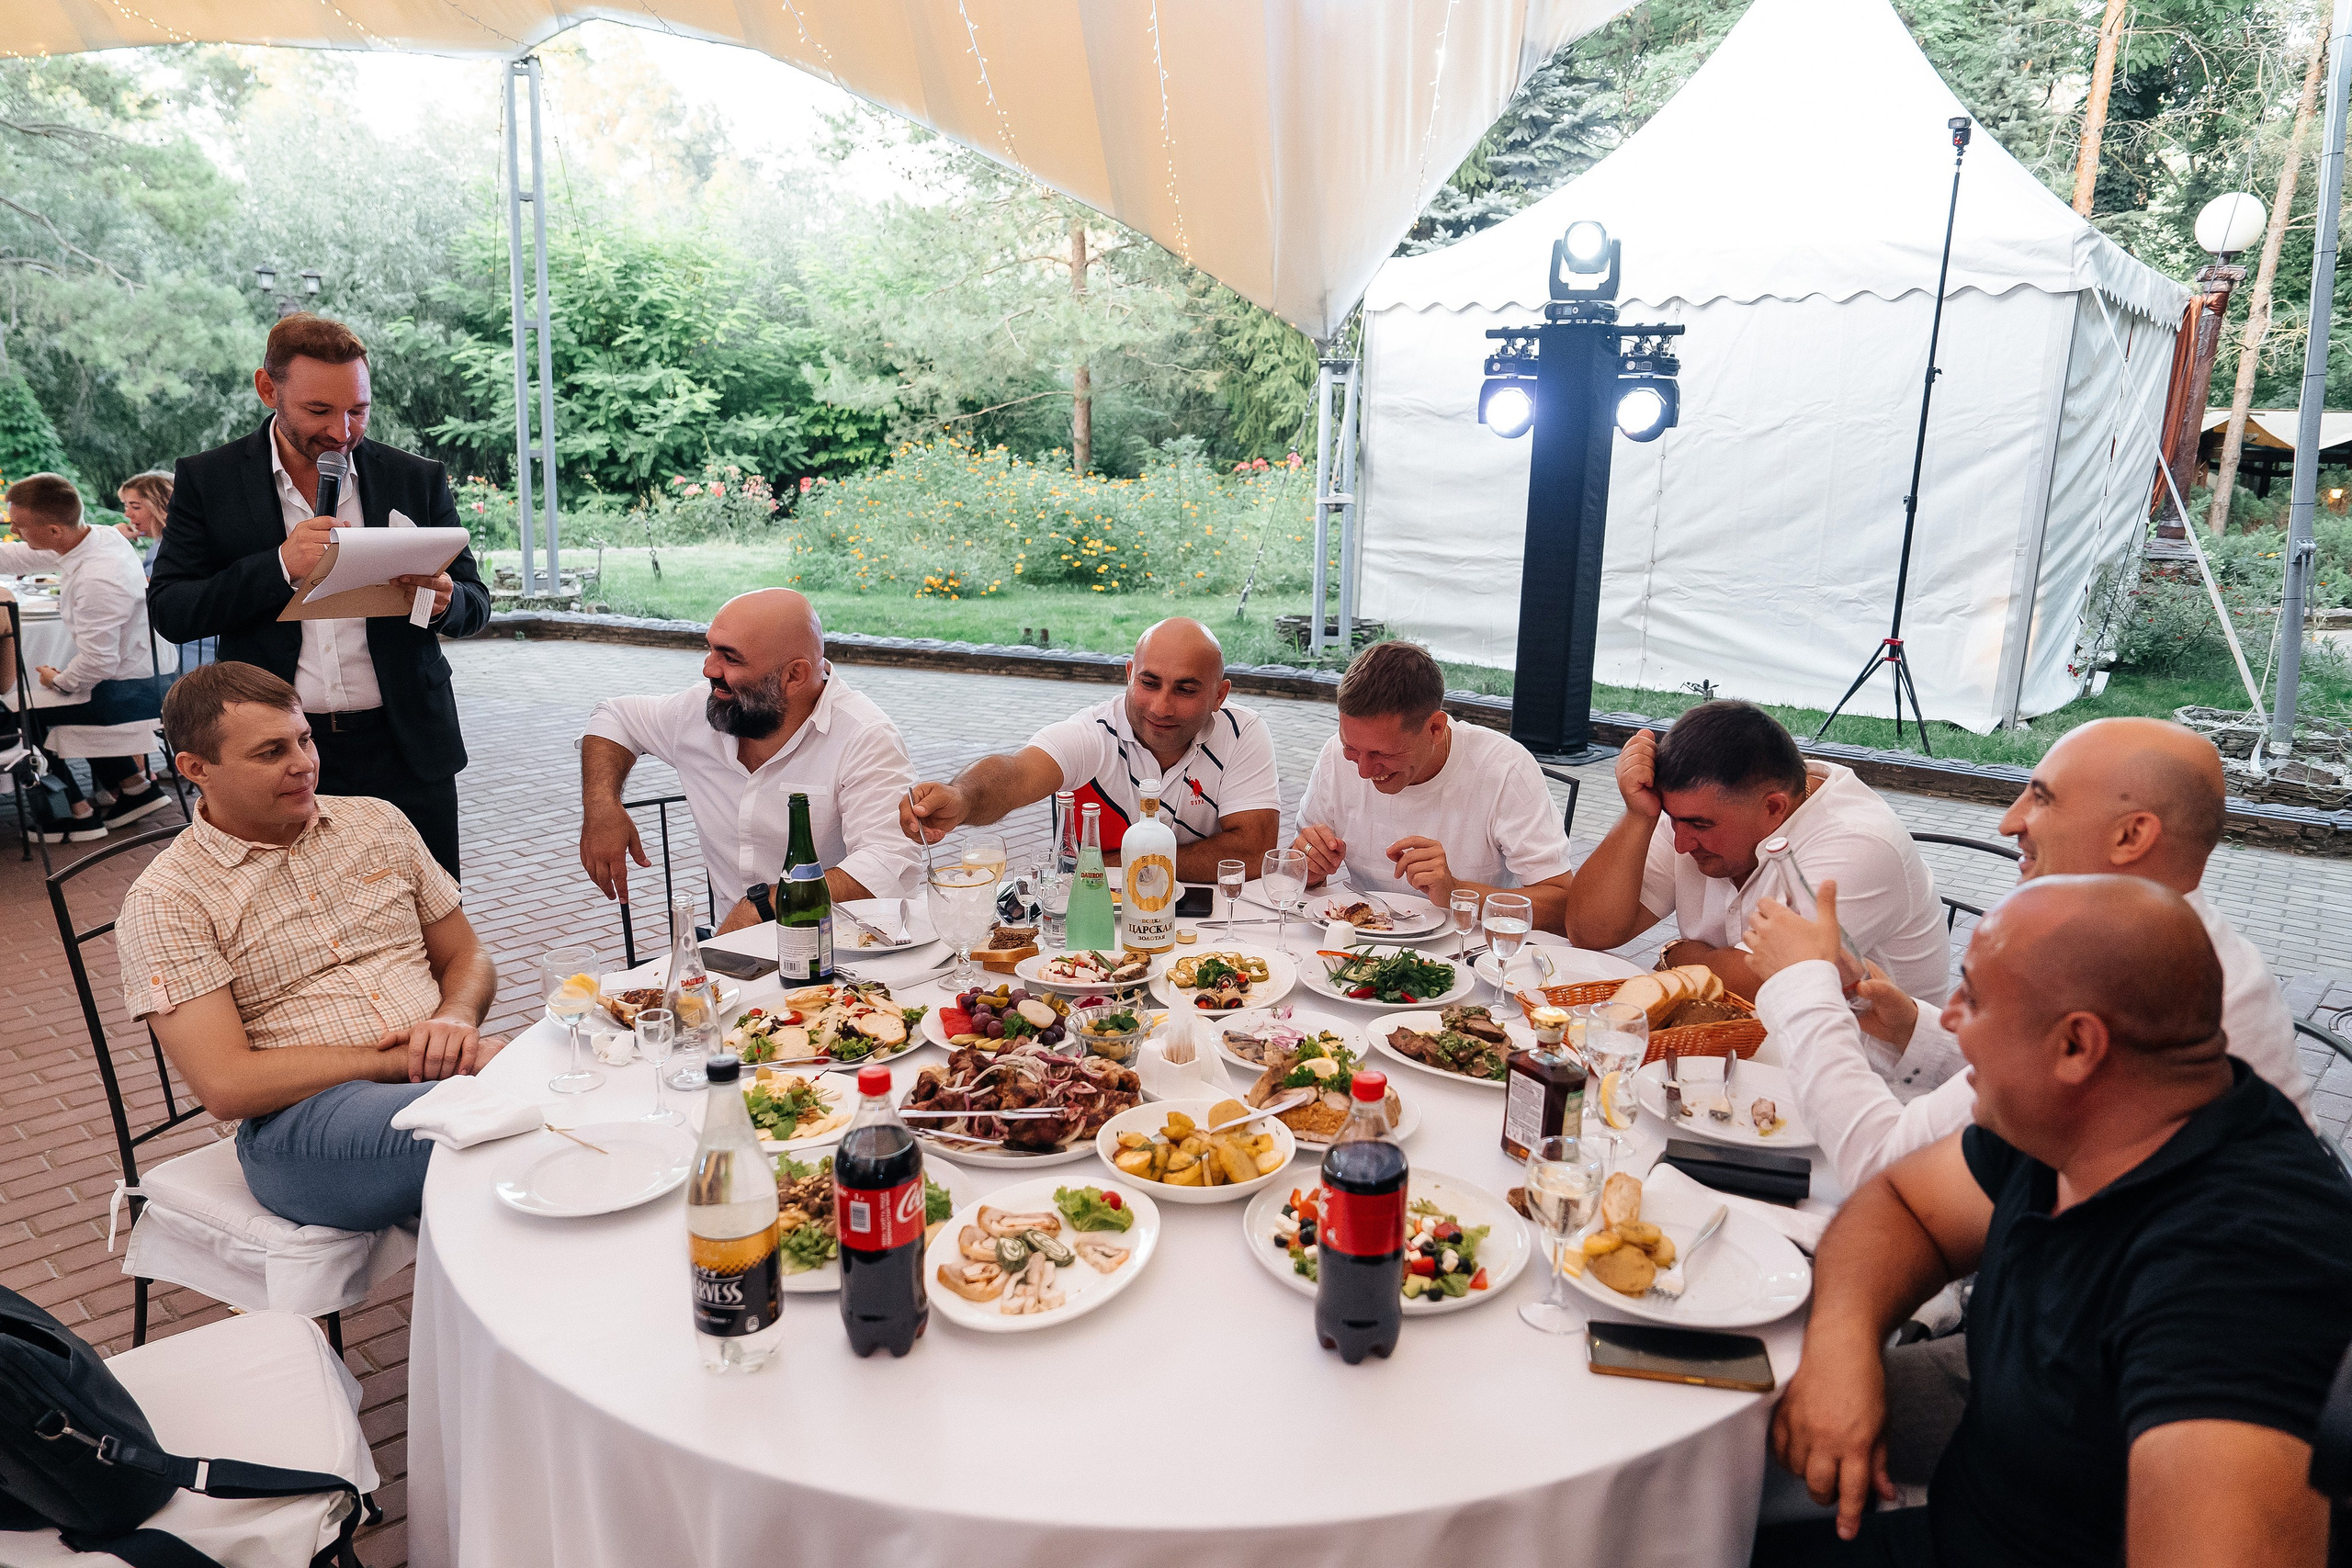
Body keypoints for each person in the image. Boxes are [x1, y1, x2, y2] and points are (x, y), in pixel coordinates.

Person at [1752, 875, 2352, 1568]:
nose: (1947, 1018)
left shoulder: (2231, 1288)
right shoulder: (2087, 1121)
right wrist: (1841, 1340)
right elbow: (1901, 1204)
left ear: (2076, 1045)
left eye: (1972, 997)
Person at [118, 663, 503, 1232]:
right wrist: (404, 1063)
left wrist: (453, 1018)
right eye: (271, 752)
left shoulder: (376, 823)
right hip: (300, 1129)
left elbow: (466, 956)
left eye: (304, 739)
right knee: (498, 1120)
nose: (303, 763)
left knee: (578, 1079)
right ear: (196, 768)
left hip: (440, 1082)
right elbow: (225, 1084)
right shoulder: (168, 898)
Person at [149, 313, 491, 878]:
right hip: (273, 755)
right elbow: (172, 610)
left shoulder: (414, 478)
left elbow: (475, 604)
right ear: (268, 389)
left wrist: (444, 598)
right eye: (319, 411)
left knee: (431, 925)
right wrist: (280, 565)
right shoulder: (211, 480)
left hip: (404, 746)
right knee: (295, 929)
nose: (341, 432)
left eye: (358, 410)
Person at [1564, 699, 1949, 1005]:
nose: (1682, 843)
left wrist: (1676, 955)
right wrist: (1639, 816)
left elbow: (1756, 984)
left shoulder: (1859, 845)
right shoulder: (1698, 808)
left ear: (1774, 807)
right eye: (1671, 819)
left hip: (1872, 1075)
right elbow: (1590, 930)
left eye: (1700, 826)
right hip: (1758, 1044)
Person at [581, 588, 921, 933]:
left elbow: (888, 864)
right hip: (733, 955)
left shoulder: (864, 736)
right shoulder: (700, 711)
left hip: (840, 951)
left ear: (794, 675)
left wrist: (762, 907)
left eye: (730, 658)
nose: (708, 669)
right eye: (710, 648)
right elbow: (615, 717)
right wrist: (601, 806)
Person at [899, 617, 1281, 880]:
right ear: (1129, 675)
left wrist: (1122, 863)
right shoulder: (1092, 732)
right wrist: (961, 796)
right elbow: (1017, 773)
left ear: (1219, 695)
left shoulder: (1242, 730)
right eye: (1149, 683)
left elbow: (1252, 850)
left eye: (1185, 689)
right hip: (1098, 919)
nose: (1161, 707)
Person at [1290, 639, 1575, 928]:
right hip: (1359, 944)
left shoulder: (1504, 768)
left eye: (1382, 753)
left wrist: (1457, 893)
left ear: (1435, 728)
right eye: (1351, 748)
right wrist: (1307, 869)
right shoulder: (1334, 756)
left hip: (1467, 953)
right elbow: (1298, 872)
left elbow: (1563, 905)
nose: (1363, 770)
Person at [0, 472, 175, 840]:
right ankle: (135, 788)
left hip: (130, 691)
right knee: (42, 696)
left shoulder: (98, 578)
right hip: (143, 673)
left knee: (19, 709)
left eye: (18, 526)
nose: (15, 533)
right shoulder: (99, 536)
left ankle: (73, 815)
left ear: (52, 532)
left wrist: (58, 681)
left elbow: (98, 663)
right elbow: (19, 555)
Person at [116, 470, 171, 575]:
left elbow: (143, 590)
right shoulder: (161, 544)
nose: (127, 514)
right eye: (126, 507)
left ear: (162, 508)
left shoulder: (166, 551)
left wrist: (113, 540)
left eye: (136, 507)